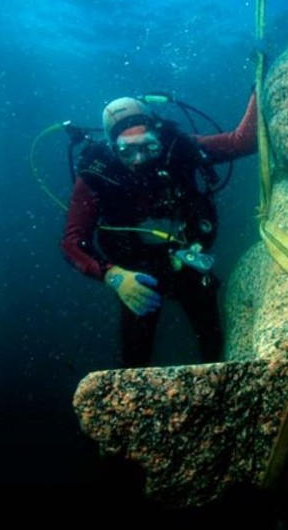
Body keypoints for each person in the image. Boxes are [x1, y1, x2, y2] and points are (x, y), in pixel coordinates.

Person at [61, 92, 257, 367]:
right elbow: (72, 242)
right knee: (134, 359)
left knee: (212, 343)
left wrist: (258, 85)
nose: (139, 159)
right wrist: (113, 276)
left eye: (149, 146)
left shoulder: (179, 148)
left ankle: (221, 383)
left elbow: (242, 141)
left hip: (187, 259)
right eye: (127, 150)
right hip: (135, 274)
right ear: (112, 146)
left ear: (159, 135)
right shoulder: (97, 173)